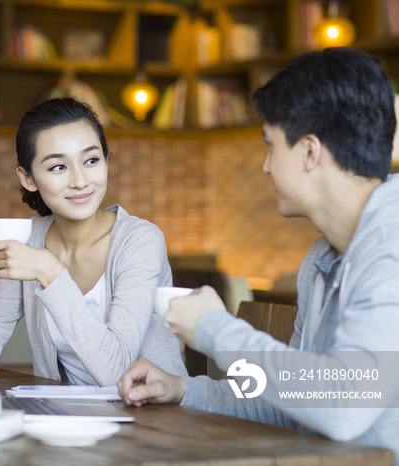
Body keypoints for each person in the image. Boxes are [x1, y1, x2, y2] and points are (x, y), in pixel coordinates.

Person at [117, 47, 399, 459]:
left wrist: (215, 329)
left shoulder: (391, 246)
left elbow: (343, 405)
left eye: (270, 145)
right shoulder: (322, 259)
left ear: (309, 151)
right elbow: (299, 405)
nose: (265, 166)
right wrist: (184, 389)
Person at [0, 97, 187, 386]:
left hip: (155, 420)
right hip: (68, 419)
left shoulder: (139, 241)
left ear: (106, 161)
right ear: (28, 178)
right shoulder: (28, 241)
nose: (79, 181)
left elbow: (118, 373)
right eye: (58, 167)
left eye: (91, 160)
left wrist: (49, 272)